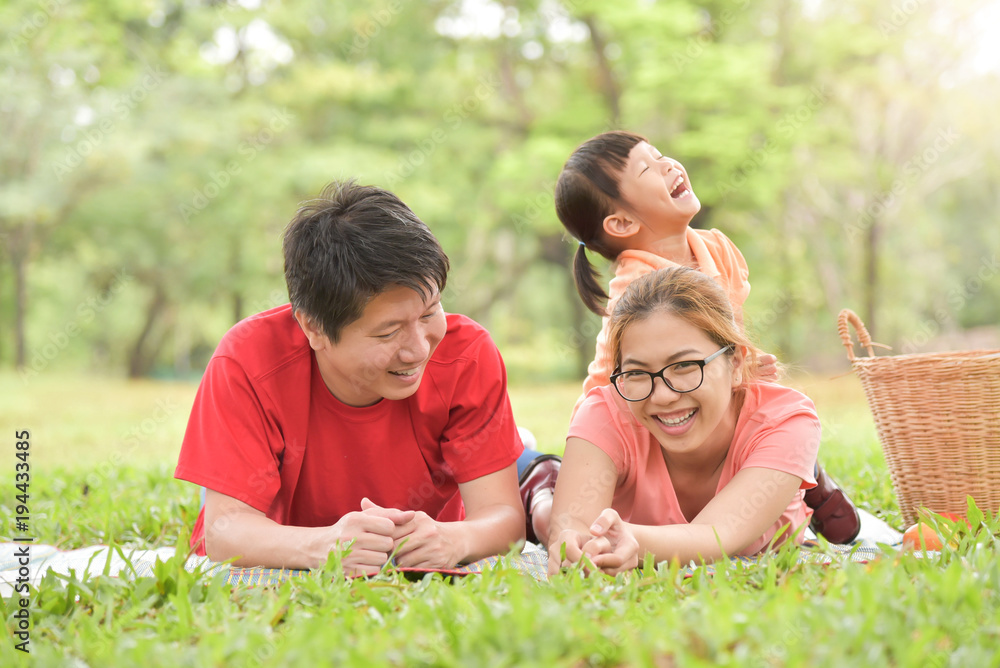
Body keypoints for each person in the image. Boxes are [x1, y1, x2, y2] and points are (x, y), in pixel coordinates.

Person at [175, 180, 528, 576]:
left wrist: (456, 539)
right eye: (388, 332)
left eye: (429, 313)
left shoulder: (467, 355)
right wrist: (322, 546)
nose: (418, 349)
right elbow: (225, 533)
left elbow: (503, 519)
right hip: (285, 552)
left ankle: (528, 458)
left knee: (521, 461)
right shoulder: (247, 361)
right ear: (314, 329)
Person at [546, 130, 860, 545]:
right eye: (648, 169)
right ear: (621, 222)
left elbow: (728, 330)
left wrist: (743, 361)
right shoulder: (636, 290)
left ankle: (797, 468)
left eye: (661, 156)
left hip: (714, 391)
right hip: (634, 415)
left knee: (773, 422)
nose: (670, 166)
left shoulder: (717, 248)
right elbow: (626, 388)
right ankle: (803, 471)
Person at [547, 267, 821, 575]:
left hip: (771, 478)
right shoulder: (605, 413)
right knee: (544, 515)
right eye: (637, 372)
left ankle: (818, 488)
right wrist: (575, 544)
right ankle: (539, 489)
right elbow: (573, 527)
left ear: (735, 363)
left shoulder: (786, 421)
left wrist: (631, 540)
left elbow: (718, 534)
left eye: (685, 366)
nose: (662, 396)